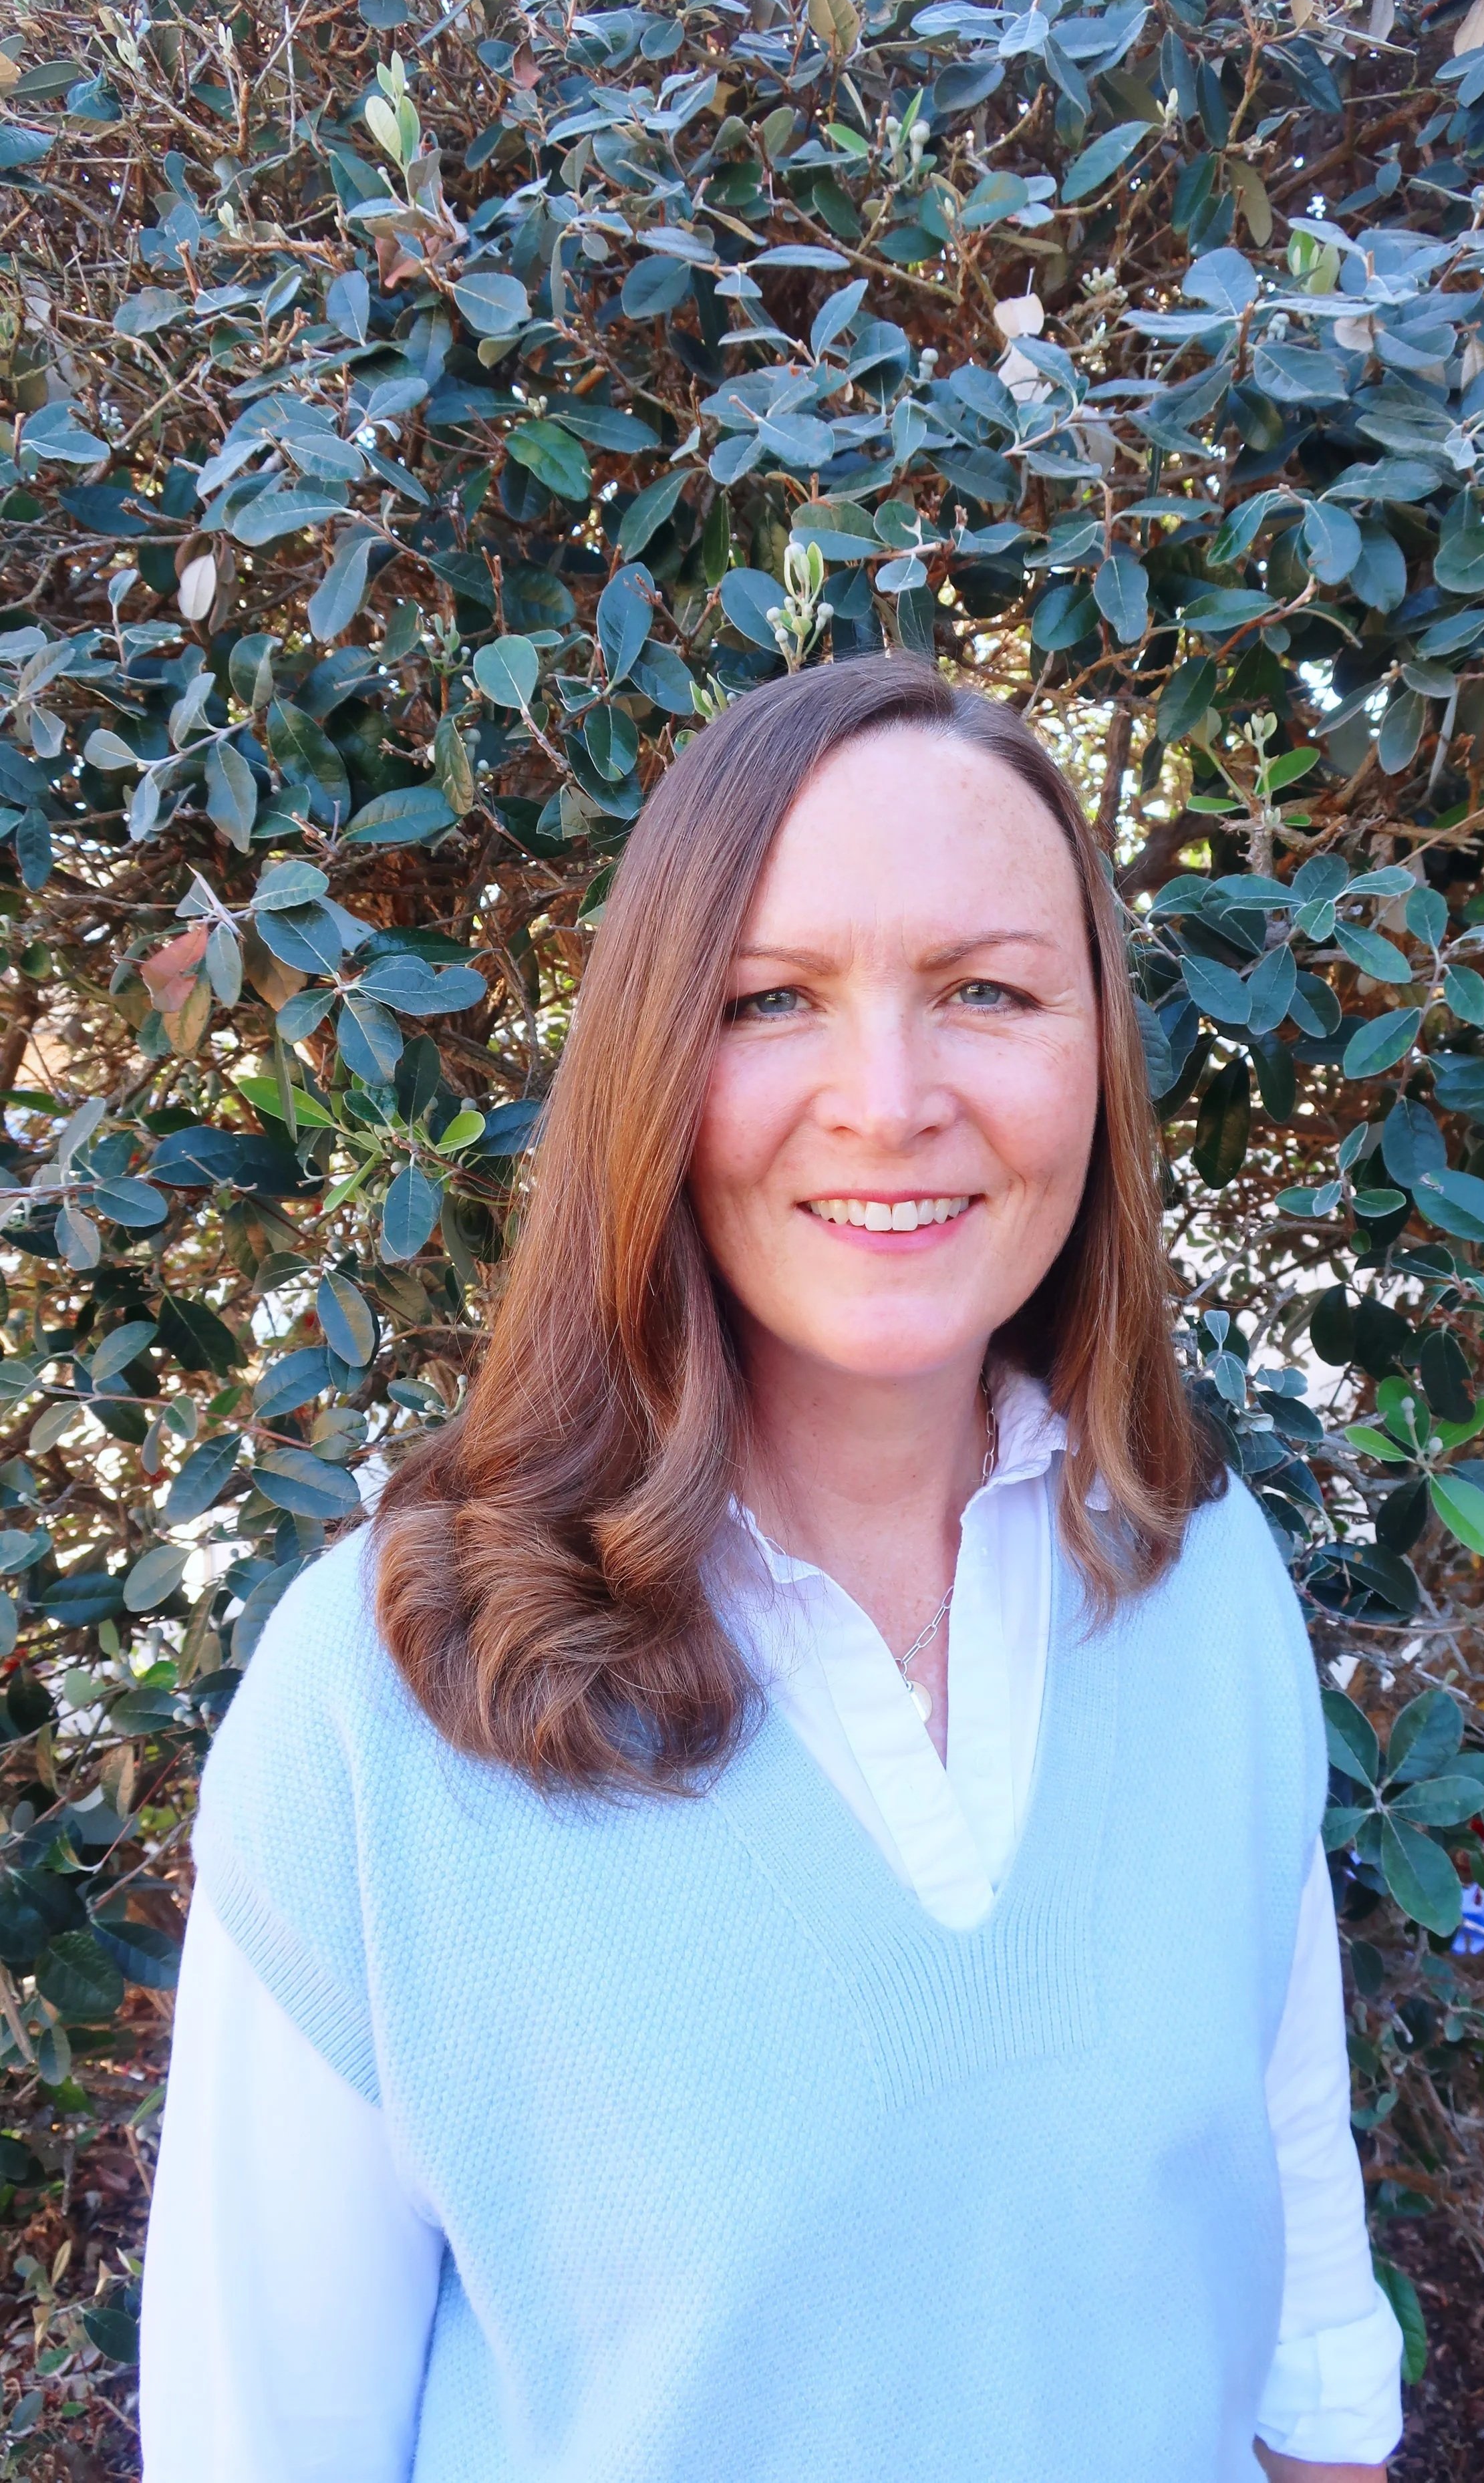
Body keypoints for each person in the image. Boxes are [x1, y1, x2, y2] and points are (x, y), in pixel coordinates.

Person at [139, 654, 1404, 2481]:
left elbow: (1292, 2300)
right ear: (655, 1063)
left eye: (985, 991)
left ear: (1098, 1057)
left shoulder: (1202, 1582)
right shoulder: (384, 1699)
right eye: (770, 1001)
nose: (888, 1101)